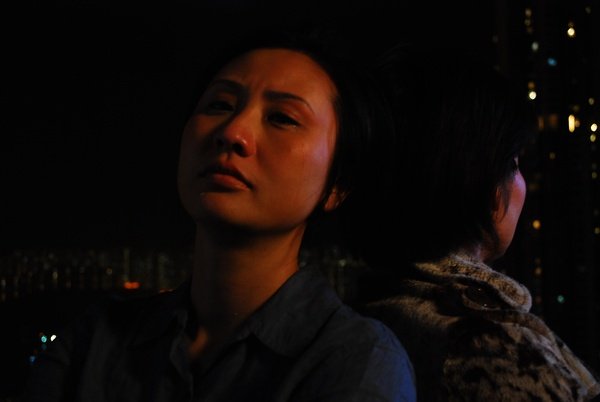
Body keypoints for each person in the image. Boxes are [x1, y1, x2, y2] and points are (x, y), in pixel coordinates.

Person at [21, 27, 416, 401]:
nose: (232, 131)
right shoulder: (94, 342)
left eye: (282, 118)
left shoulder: (355, 360)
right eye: (219, 105)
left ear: (337, 185)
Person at [340, 43, 600, 401]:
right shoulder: (492, 352)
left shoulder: (365, 318)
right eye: (513, 163)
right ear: (477, 179)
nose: (520, 183)